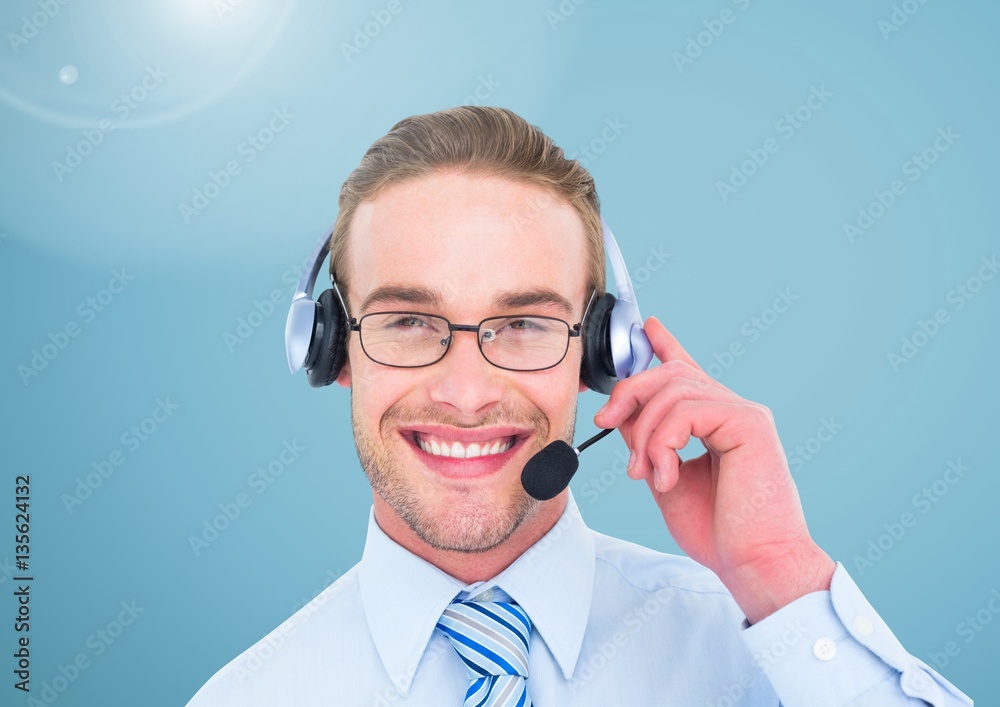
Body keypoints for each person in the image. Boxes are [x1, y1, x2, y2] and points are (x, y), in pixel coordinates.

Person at [188, 106, 972, 706]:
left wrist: (782, 575)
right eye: (409, 322)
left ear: (603, 352)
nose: (466, 392)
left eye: (525, 324)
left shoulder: (773, 653)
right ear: (333, 349)